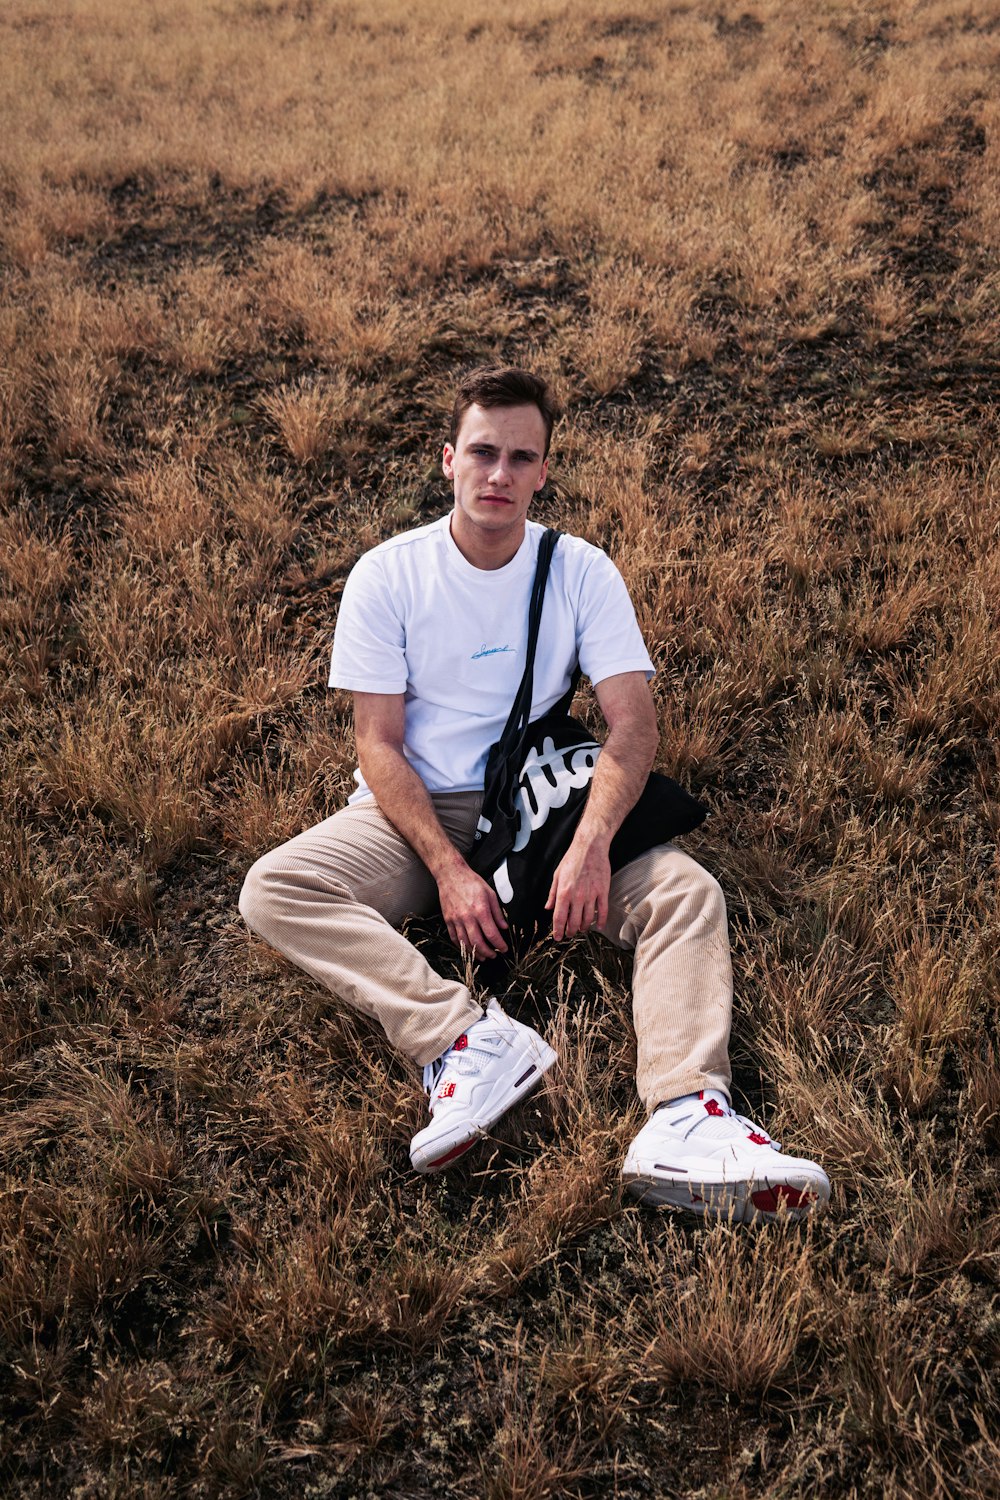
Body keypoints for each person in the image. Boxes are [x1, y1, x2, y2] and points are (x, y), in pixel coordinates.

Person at [238, 365, 830, 1221]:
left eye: (522, 457)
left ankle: (684, 1117)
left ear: (544, 470)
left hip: (541, 804)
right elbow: (379, 746)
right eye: (482, 453)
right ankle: (466, 1043)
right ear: (448, 460)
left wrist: (592, 846)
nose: (499, 475)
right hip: (419, 811)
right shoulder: (388, 575)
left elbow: (632, 726)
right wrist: (446, 869)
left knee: (687, 893)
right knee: (276, 887)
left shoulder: (580, 570)